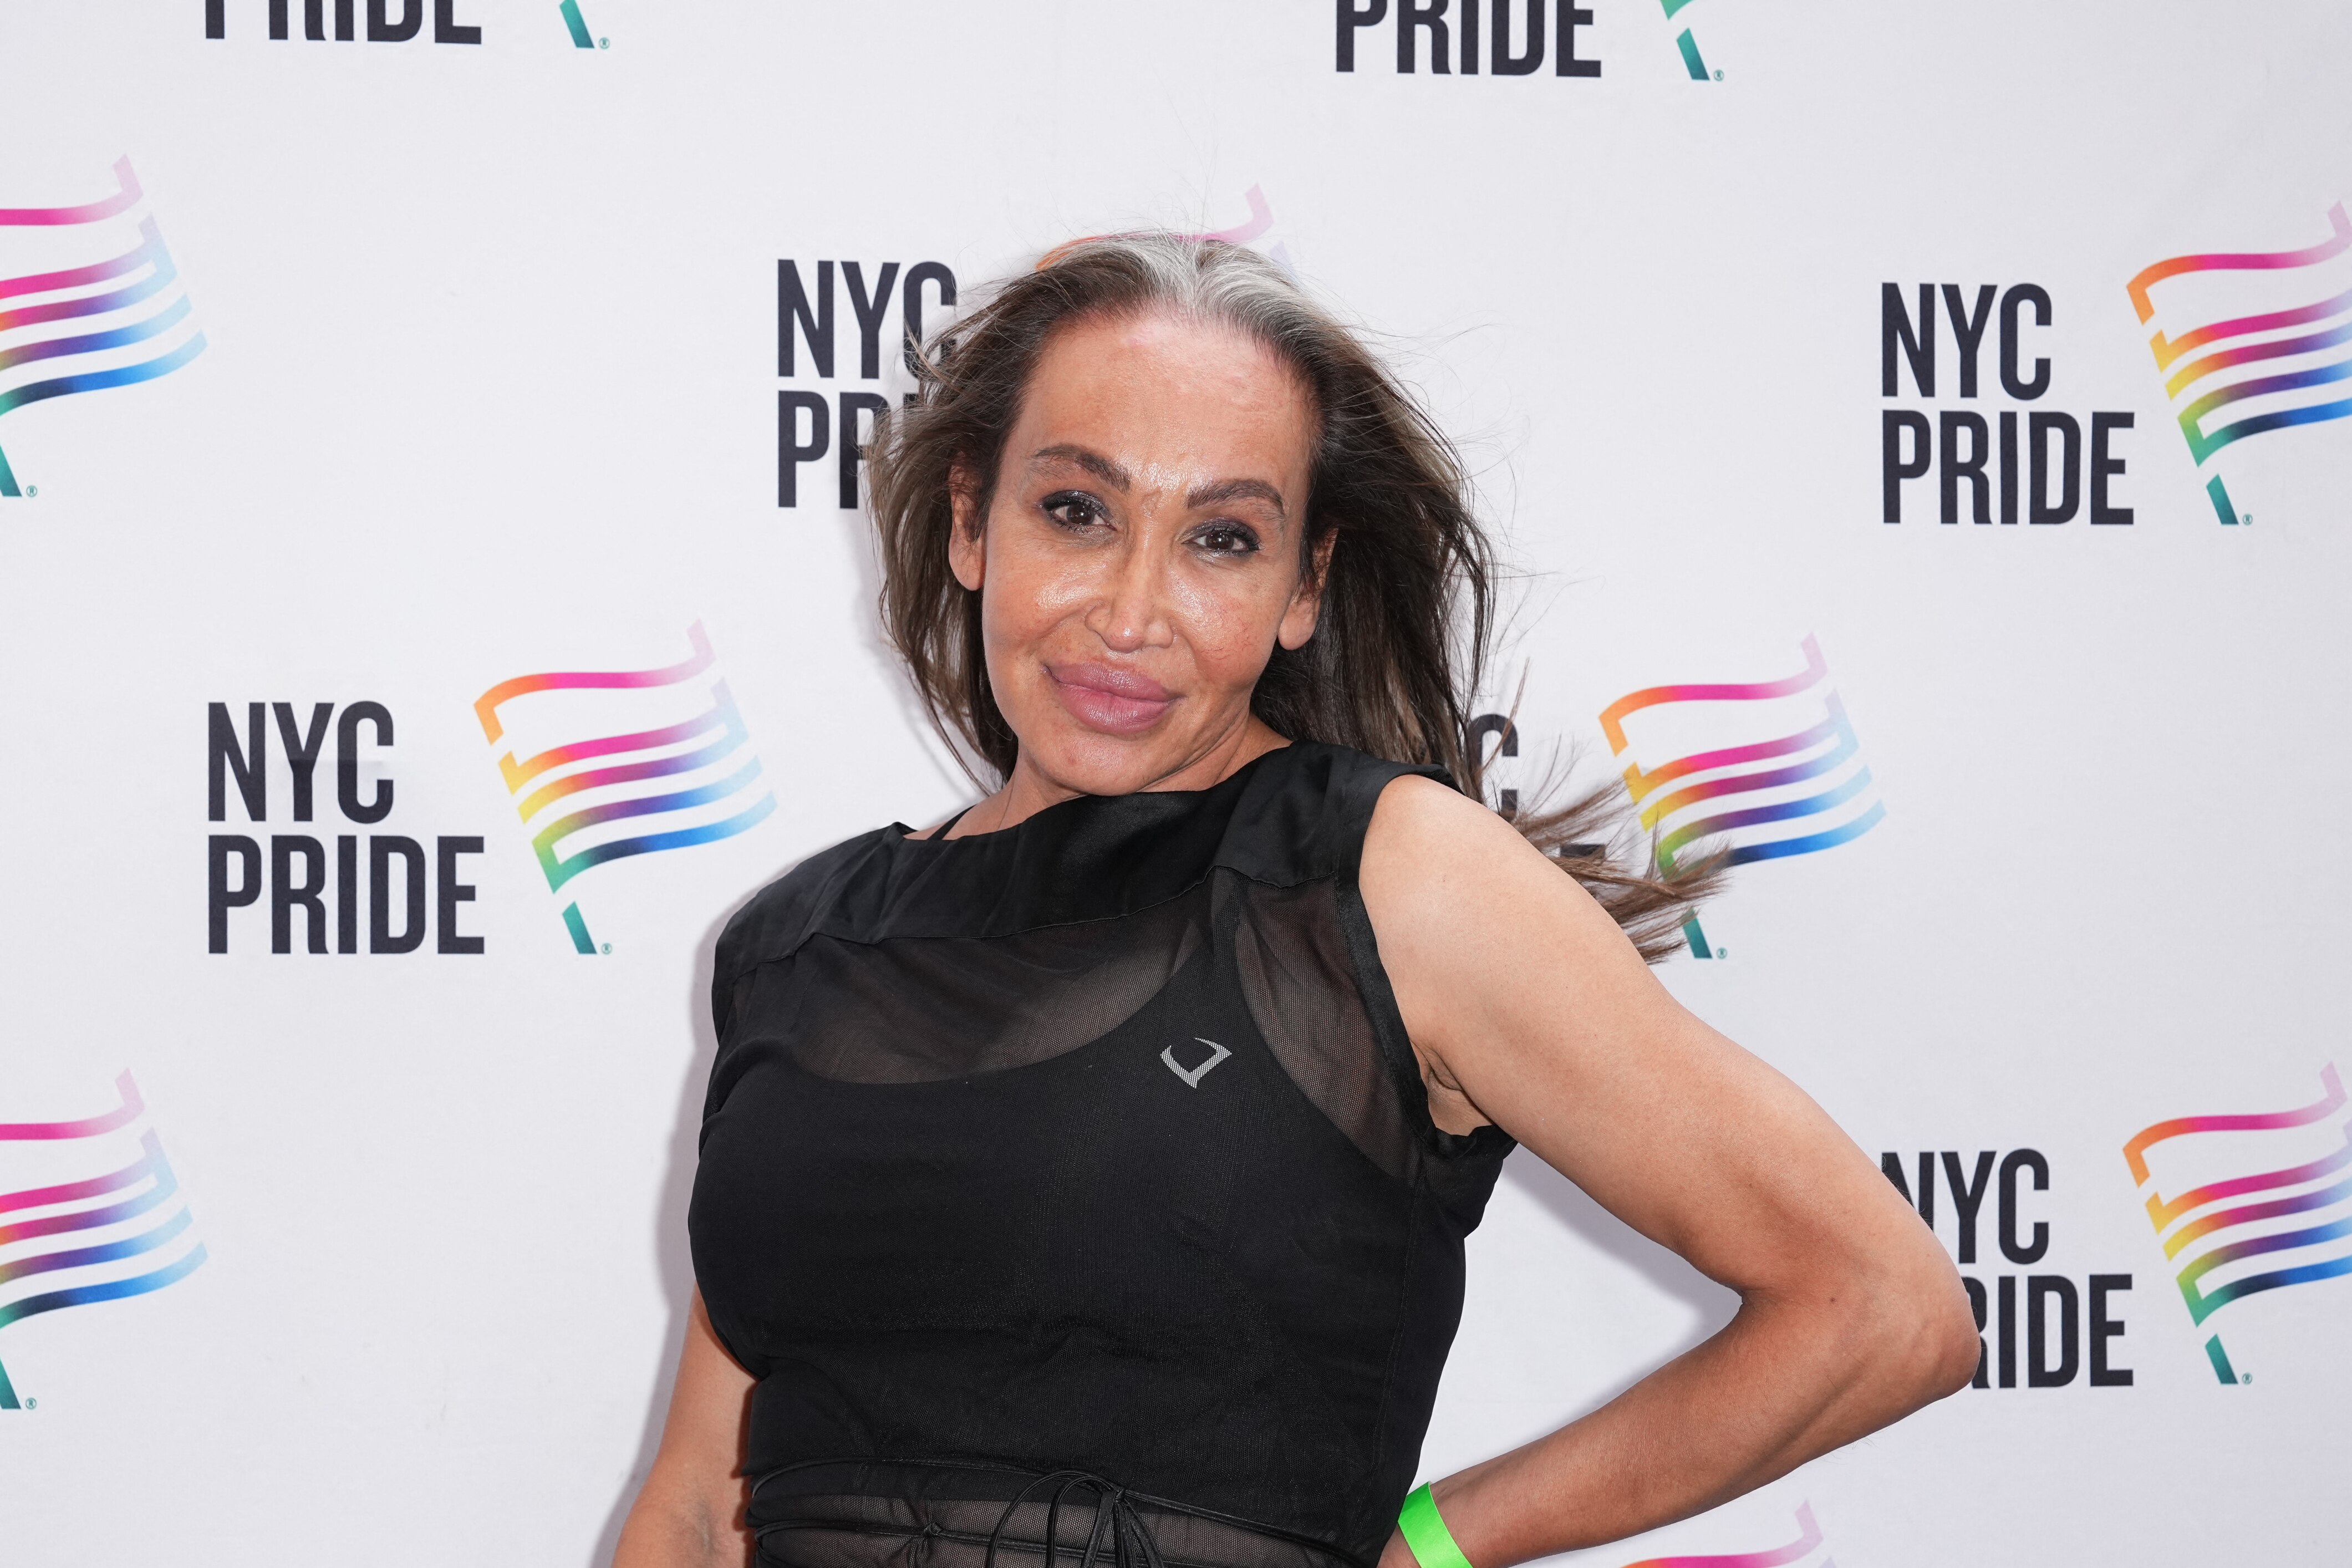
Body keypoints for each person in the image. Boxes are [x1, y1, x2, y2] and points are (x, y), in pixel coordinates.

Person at [614, 236, 1978, 1568]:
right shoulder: (799, 943)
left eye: (1220, 538)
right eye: (1076, 511)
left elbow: (1882, 1306)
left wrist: (1438, 1544)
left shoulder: (1389, 880)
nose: (1133, 611)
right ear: (972, 519)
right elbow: (691, 1503)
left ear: (1302, 588)